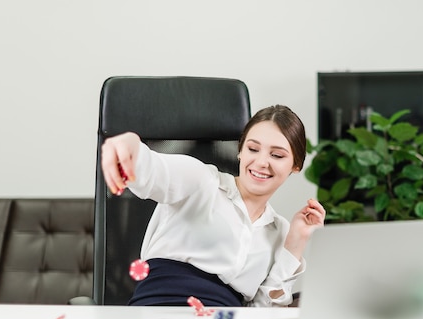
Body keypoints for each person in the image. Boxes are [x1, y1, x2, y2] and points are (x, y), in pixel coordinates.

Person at [101, 105, 326, 307]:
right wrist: (130, 145)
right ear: (240, 151)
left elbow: (262, 312)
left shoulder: (280, 231)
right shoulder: (202, 181)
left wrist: (295, 243)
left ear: (295, 165)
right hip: (161, 309)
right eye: (253, 149)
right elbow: (153, 170)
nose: (261, 162)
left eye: (276, 155)